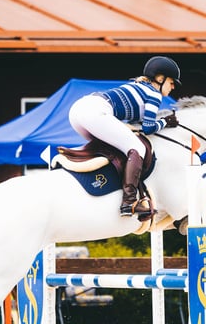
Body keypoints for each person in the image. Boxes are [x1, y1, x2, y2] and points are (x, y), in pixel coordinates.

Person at [68, 56, 181, 217]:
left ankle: (104, 186)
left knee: (115, 148)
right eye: (171, 82)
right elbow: (148, 128)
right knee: (138, 148)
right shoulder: (154, 94)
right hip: (95, 111)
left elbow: (138, 125)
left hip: (78, 111)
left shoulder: (139, 86)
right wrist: (165, 122)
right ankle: (129, 202)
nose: (173, 87)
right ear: (160, 78)